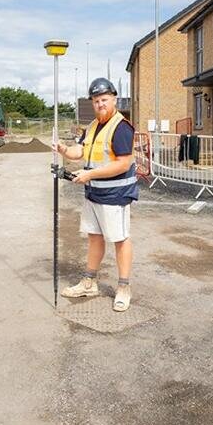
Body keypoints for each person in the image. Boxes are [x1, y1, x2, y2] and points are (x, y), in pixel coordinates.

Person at [55, 77, 138, 312]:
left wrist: (90, 175)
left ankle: (123, 287)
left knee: (120, 240)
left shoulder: (121, 127)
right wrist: (63, 149)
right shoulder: (92, 126)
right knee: (94, 237)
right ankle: (89, 282)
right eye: (96, 100)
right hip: (94, 195)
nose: (100, 104)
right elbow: (79, 151)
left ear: (113, 99)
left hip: (115, 195)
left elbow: (123, 164)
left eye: (104, 99)